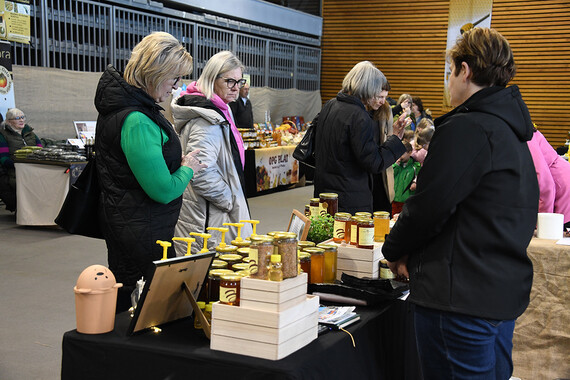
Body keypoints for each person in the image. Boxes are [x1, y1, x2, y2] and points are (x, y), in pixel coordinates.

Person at [382, 27, 539, 379]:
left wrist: (394, 249)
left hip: (460, 298)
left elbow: (428, 207)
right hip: (493, 291)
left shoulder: (468, 128)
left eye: (450, 72)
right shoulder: (511, 130)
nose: (448, 82)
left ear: (465, 71)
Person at [94, 32, 205, 313]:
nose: (175, 87)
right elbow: (163, 190)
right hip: (141, 228)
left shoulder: (131, 109)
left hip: (133, 223)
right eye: (174, 79)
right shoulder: (136, 119)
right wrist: (188, 169)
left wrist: (172, 162)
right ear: (156, 73)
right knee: (141, 304)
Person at [172, 50, 253, 255]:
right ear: (212, 79)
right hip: (208, 217)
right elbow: (200, 171)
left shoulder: (219, 110)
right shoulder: (206, 121)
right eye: (230, 82)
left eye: (239, 81)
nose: (236, 88)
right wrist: (230, 199)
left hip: (209, 213)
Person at [313, 61, 408, 214]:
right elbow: (373, 162)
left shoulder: (330, 105)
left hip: (324, 192)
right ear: (368, 87)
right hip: (350, 198)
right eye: (377, 93)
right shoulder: (359, 116)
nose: (381, 100)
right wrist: (395, 140)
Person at [0, 108, 43, 212]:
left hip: (34, 167)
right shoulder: (3, 135)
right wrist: (20, 165)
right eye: (17, 118)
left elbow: (41, 150)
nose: (21, 120)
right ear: (9, 121)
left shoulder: (30, 133)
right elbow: (3, 159)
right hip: (15, 170)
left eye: (23, 117)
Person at [527, 126, 570, 229]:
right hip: (559, 184)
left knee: (553, 235)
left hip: (562, 187)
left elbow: (545, 183)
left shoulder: (527, 138)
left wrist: (542, 223)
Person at [391, 141, 420, 216]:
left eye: (402, 153)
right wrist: (396, 165)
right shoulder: (396, 165)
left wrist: (415, 183)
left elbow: (419, 177)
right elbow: (391, 176)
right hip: (395, 200)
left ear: (410, 153)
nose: (400, 156)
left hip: (407, 201)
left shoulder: (415, 166)